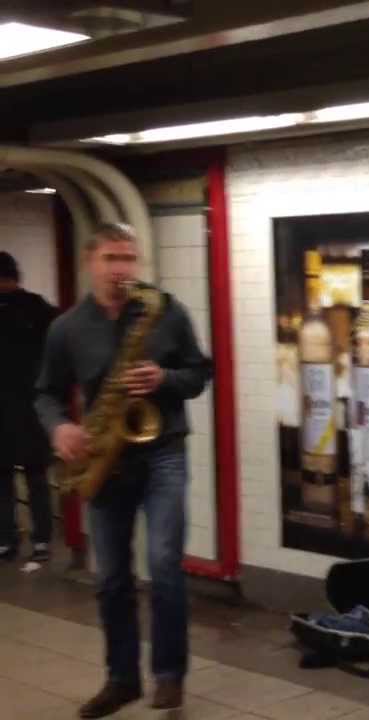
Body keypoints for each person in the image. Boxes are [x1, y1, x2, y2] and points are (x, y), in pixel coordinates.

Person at [35, 222, 211, 718]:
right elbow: (45, 392)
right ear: (92, 262)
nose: (122, 269)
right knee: (111, 576)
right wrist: (60, 428)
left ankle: (170, 676)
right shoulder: (67, 327)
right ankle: (121, 679)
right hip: (105, 458)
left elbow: (200, 373)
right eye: (112, 258)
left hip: (163, 452)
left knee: (163, 564)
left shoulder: (166, 311)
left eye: (129, 259)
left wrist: (165, 377)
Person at [0, 251, 58, 563]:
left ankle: (13, 541)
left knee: (13, 478)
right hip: (29, 405)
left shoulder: (37, 310)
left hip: (21, 406)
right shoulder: (40, 309)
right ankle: (36, 541)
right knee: (30, 477)